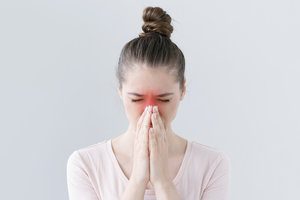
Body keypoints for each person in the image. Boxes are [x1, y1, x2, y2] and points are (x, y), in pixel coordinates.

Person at [66, 6, 231, 200]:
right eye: (137, 99)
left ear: (182, 90)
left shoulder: (211, 165)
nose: (150, 108)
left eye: (164, 99)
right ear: (120, 90)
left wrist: (162, 182)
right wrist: (138, 180)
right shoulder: (86, 164)